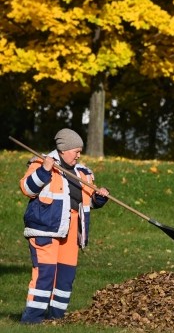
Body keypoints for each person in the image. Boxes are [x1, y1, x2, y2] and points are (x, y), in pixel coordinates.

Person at [20, 128, 110, 323]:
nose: (79, 155)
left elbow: (89, 202)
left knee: (65, 278)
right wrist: (44, 170)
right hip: (45, 230)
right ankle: (32, 320)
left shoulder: (83, 173)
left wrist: (100, 197)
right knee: (45, 275)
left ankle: (56, 318)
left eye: (80, 151)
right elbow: (27, 189)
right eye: (75, 151)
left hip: (71, 232)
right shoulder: (40, 163)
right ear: (62, 149)